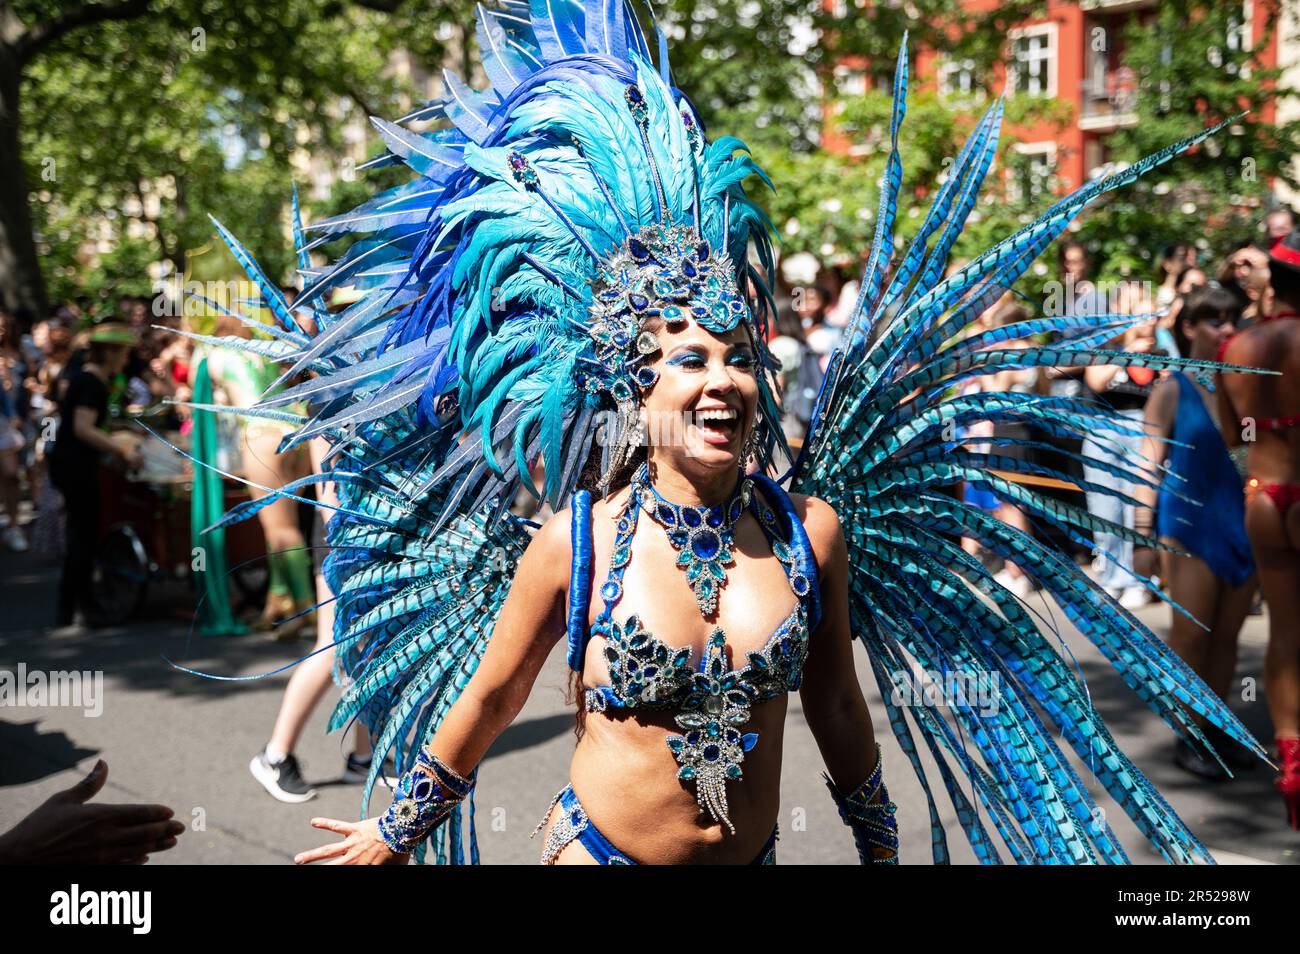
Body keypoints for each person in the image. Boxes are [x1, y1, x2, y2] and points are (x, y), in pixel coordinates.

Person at [195, 4, 1259, 866]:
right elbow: (490, 697)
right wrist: (396, 827)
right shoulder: (579, 540)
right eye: (690, 361)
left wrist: (880, 846)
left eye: (739, 358)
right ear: (634, 386)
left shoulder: (813, 533)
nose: (723, 381)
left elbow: (838, 703)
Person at [1136, 285, 1257, 781]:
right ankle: (1191, 733)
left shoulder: (1244, 385)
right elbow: (1149, 465)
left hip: (1239, 524)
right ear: (1189, 328)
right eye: (1215, 321)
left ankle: (1220, 727)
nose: (1227, 329)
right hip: (1186, 526)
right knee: (1190, 635)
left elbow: (1258, 453)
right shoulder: (1170, 388)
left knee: (1227, 635)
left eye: (1232, 320)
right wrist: (1142, 539)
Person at [1217, 227, 1300, 829]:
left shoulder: (1239, 345)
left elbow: (1232, 437)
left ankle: (1292, 762)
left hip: (1264, 497)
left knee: (1283, 635)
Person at [202, 315, 314, 635]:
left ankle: (307, 607)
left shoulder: (215, 354)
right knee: (279, 524)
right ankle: (278, 600)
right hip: (294, 430)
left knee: (281, 528)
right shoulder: (263, 351)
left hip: (261, 434)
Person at [47, 323, 143, 628]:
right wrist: (122, 450)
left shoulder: (93, 380)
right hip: (75, 467)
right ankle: (81, 607)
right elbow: (82, 428)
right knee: (83, 537)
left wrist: (122, 430)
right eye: (124, 353)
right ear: (111, 353)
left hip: (74, 464)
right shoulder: (90, 383)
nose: (127, 360)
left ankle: (74, 606)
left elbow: (92, 425)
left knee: (83, 535)